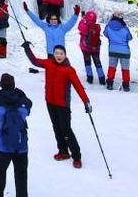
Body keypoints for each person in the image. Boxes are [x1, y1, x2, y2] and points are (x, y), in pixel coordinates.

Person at [24, 40, 90, 169]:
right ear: (53, 54)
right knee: (56, 127)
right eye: (56, 53)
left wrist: (86, 101)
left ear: (65, 55)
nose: (58, 55)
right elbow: (35, 61)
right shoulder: (49, 63)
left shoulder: (69, 70)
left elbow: (78, 86)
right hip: (50, 102)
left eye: (61, 53)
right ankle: (63, 152)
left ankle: (76, 156)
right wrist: (27, 48)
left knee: (66, 129)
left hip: (63, 104)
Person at [104, 11, 133, 91]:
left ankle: (110, 83)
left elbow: (105, 34)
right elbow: (130, 37)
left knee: (112, 67)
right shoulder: (124, 27)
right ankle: (126, 85)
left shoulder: (108, 26)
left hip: (112, 50)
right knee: (125, 69)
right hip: (124, 51)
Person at [76, 9, 105, 85]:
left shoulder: (84, 26)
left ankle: (90, 78)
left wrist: (83, 19)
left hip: (85, 47)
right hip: (96, 48)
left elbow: (79, 26)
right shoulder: (97, 27)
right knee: (97, 62)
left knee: (87, 62)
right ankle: (102, 78)